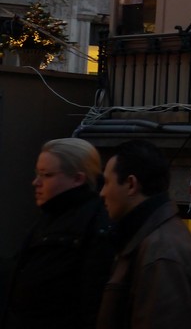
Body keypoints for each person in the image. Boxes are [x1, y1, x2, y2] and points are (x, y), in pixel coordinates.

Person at [96, 139, 191, 329]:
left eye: (106, 183)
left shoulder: (160, 252)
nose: (102, 193)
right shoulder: (151, 240)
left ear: (131, 184)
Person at [2, 138, 114, 329]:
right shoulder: (51, 215)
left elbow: (91, 300)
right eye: (37, 174)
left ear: (77, 178)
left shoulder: (93, 225)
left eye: (47, 175)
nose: (36, 182)